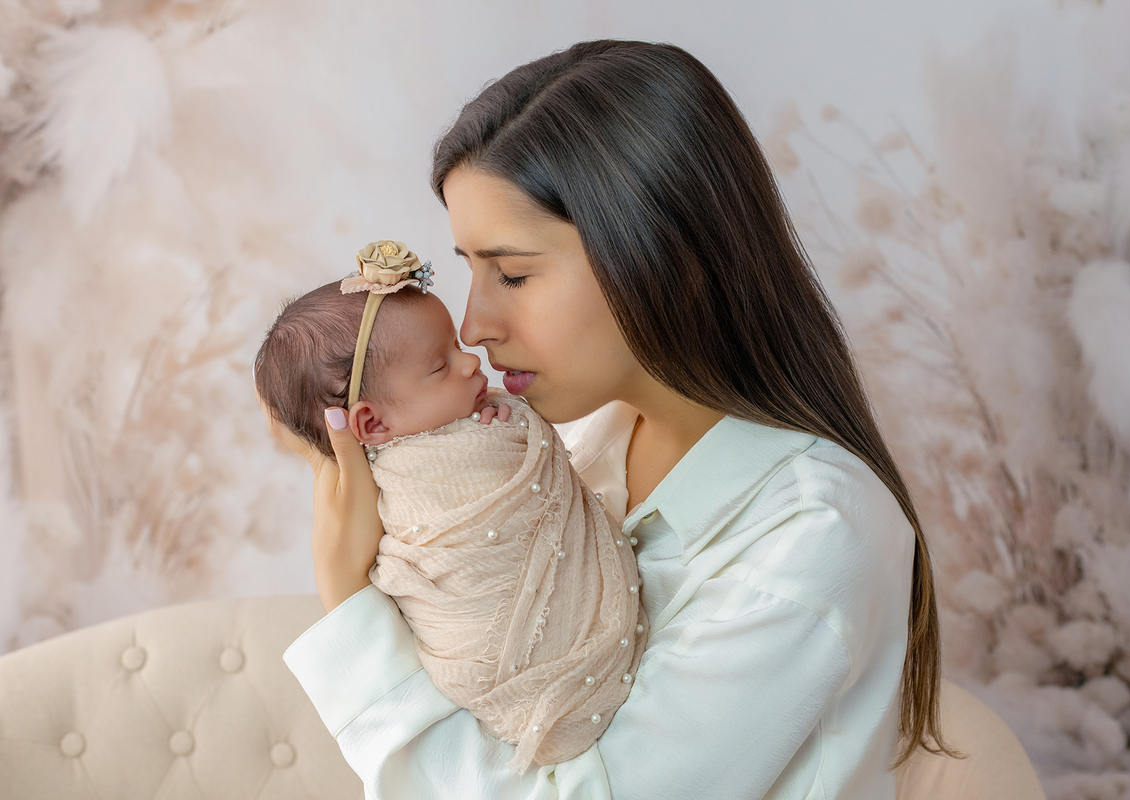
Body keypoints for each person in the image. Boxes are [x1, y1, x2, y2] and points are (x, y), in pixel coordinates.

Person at [269, 39, 951, 798]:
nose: (473, 326)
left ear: (663, 259)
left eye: (514, 273)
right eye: (469, 268)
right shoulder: (576, 445)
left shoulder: (817, 533)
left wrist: (348, 598)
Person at [254, 242, 646, 771]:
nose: (471, 356)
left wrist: (502, 427)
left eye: (510, 273)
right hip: (489, 668)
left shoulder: (484, 428)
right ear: (371, 426)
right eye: (440, 366)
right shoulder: (403, 481)